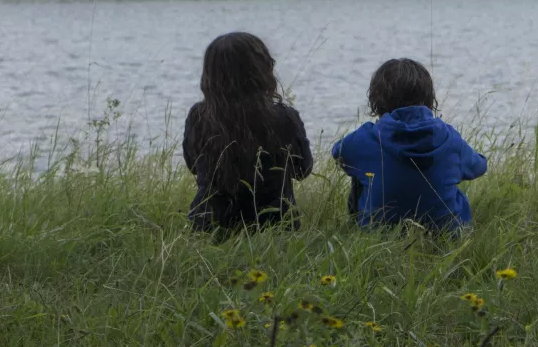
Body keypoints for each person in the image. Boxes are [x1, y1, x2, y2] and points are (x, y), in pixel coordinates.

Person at [331, 58, 487, 231]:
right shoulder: (448, 137)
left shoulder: (366, 137)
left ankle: (359, 228)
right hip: (444, 236)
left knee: (360, 173)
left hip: (379, 236)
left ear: (378, 100)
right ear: (428, 98)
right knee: (452, 177)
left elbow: (339, 153)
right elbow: (479, 167)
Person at [182, 32, 314, 234]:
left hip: (209, 228)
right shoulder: (285, 117)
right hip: (277, 227)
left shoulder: (198, 116)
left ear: (210, 75)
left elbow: (194, 166)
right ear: (263, 70)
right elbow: (302, 170)